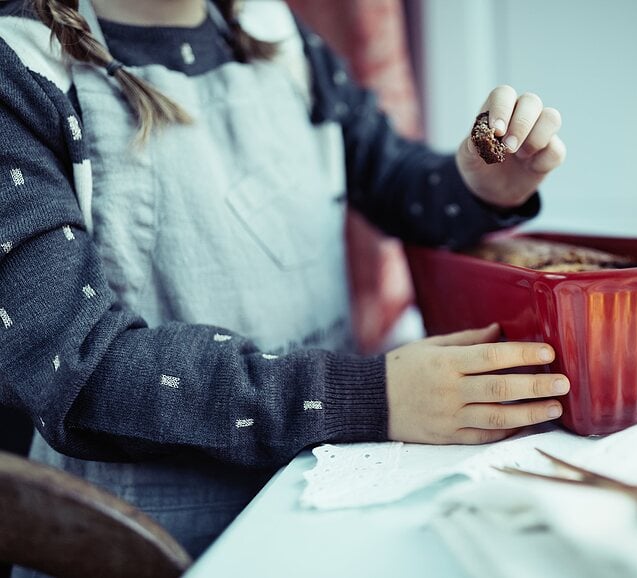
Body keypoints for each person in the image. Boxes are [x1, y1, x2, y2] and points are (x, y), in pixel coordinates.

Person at [0, 0, 568, 561]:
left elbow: (397, 181)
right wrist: (372, 395)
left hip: (323, 498)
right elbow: (82, 370)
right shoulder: (22, 68)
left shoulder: (273, 28)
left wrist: (478, 182)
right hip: (150, 543)